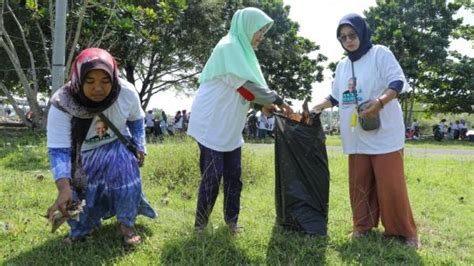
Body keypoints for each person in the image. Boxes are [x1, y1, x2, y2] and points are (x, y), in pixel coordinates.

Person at [311, 14, 419, 248]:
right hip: (356, 135)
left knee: (390, 184)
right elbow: (336, 96)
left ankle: (404, 232)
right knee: (360, 183)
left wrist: (379, 103)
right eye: (343, 38)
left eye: (352, 35)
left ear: (362, 33)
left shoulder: (380, 53)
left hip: (384, 133)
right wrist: (319, 105)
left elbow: (397, 82)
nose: (348, 41)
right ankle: (363, 226)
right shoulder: (342, 65)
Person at [187, 7, 292, 234]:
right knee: (212, 177)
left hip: (230, 128)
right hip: (211, 125)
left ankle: (232, 223)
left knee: (234, 176)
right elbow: (247, 87)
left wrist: (265, 104)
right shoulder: (228, 48)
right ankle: (200, 227)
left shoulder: (244, 54)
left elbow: (245, 91)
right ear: (246, 27)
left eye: (264, 31)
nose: (261, 36)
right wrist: (278, 101)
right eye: (259, 30)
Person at [46, 48, 156, 245]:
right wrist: (63, 187)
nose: (98, 88)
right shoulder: (62, 103)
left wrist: (139, 144)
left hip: (116, 144)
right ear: (78, 79)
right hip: (81, 154)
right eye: (90, 81)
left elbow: (136, 119)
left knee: (126, 183)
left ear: (114, 78)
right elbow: (59, 149)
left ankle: (126, 225)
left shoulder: (126, 92)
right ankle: (81, 229)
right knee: (78, 194)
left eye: (105, 81)